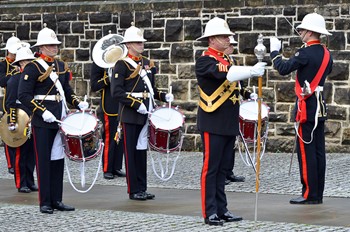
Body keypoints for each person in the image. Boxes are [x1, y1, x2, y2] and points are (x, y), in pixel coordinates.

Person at [195, 17, 266, 226]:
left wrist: (248, 94)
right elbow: (225, 76)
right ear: (212, 39)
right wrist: (251, 70)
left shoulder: (229, 60)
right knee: (211, 168)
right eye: (224, 36)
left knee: (223, 169)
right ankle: (210, 212)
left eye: (228, 36)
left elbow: (235, 86)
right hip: (212, 121)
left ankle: (222, 209)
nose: (228, 39)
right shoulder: (205, 60)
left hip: (228, 121)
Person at [18, 25, 89, 214]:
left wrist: (76, 102)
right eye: (49, 45)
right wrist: (41, 112)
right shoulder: (32, 68)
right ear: (40, 48)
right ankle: (45, 201)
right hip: (43, 120)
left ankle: (57, 199)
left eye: (55, 45)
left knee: (57, 159)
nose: (54, 48)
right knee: (43, 160)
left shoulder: (61, 66)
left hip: (60, 118)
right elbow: (24, 95)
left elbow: (66, 91)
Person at [270, 12, 332, 205]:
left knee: (306, 151)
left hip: (307, 105)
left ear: (310, 31)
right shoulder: (326, 53)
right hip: (320, 106)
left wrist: (274, 53)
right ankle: (317, 193)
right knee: (319, 151)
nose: (300, 32)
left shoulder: (305, 53)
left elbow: (283, 68)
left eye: (303, 29)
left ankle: (308, 194)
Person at [110, 23, 173, 201]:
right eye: (136, 42)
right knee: (130, 152)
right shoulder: (121, 65)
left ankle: (142, 187)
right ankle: (133, 189)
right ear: (128, 45)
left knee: (141, 151)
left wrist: (163, 96)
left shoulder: (147, 63)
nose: (141, 45)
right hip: (130, 113)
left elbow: (151, 88)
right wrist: (136, 104)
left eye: (141, 42)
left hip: (146, 112)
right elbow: (117, 92)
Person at [6, 44, 37, 193]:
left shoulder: (34, 79)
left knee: (31, 154)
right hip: (20, 120)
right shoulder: (14, 80)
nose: (28, 64)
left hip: (32, 119)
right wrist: (13, 123)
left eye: (30, 61)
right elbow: (10, 104)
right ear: (20, 64)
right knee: (20, 154)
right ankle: (21, 182)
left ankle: (30, 181)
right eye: (25, 62)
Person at [224, 35, 254, 185]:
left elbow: (240, 87)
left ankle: (228, 172)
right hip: (221, 106)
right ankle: (221, 174)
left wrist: (249, 95)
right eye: (230, 45)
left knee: (231, 142)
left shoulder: (234, 62)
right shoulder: (219, 63)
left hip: (234, 107)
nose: (232, 47)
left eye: (233, 45)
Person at [90, 60, 126, 180]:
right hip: (109, 104)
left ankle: (116, 167)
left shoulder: (123, 62)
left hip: (122, 103)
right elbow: (94, 85)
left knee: (119, 137)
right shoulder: (99, 62)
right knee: (109, 138)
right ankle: (107, 168)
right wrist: (108, 78)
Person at [0, 35, 21, 175]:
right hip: (8, 104)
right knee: (10, 133)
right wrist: (14, 75)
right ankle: (10, 163)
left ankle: (20, 163)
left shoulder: (21, 62)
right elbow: (2, 81)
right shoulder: (2, 64)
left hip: (21, 103)